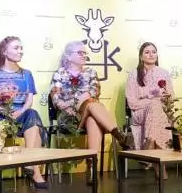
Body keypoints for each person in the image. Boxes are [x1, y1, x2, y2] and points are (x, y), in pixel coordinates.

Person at [49, 41, 134, 154]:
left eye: (85, 53)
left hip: (87, 109)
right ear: (68, 56)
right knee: (92, 106)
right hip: (69, 116)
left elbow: (95, 91)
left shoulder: (91, 72)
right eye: (80, 53)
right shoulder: (59, 73)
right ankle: (119, 136)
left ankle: (92, 160)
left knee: (92, 116)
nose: (84, 55)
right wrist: (72, 103)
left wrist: (84, 98)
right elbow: (55, 97)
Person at [0, 36, 48, 188]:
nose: (20, 51)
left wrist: (20, 112)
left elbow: (29, 100)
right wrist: (5, 111)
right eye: (16, 48)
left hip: (22, 115)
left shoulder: (26, 74)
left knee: (31, 113)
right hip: (2, 117)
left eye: (21, 48)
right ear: (4, 51)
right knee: (35, 128)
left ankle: (29, 162)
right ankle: (35, 171)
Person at [125, 42, 173, 178]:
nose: (151, 54)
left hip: (160, 113)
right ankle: (161, 167)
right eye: (147, 52)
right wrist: (151, 99)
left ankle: (149, 146)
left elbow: (171, 98)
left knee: (157, 109)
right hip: (139, 113)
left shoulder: (164, 73)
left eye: (153, 51)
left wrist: (164, 97)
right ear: (141, 57)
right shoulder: (134, 74)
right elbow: (132, 103)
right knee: (154, 105)